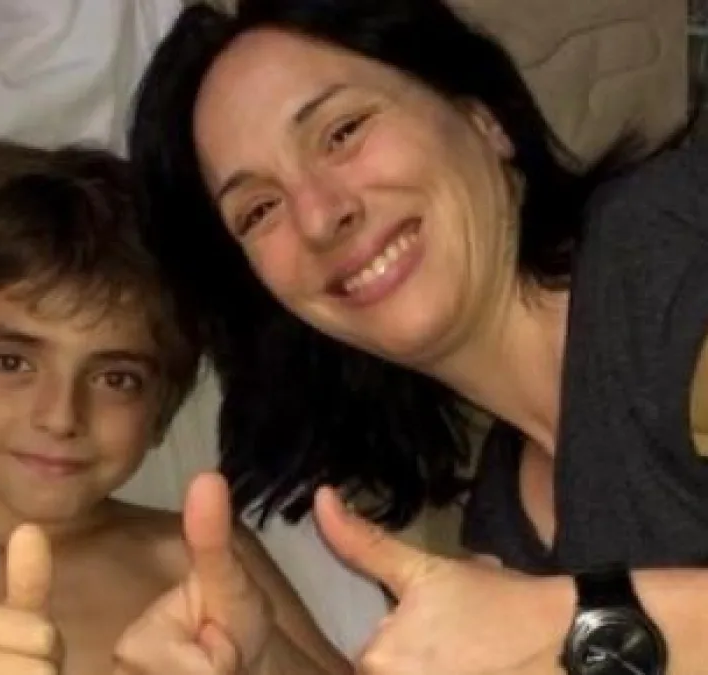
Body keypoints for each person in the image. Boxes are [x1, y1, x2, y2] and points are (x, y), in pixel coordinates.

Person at [121, 0, 708, 672]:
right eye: (258, 209)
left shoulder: (660, 251)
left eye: (342, 132)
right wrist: (264, 661)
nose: (318, 217)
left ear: (482, 118)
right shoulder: (503, 527)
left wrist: (568, 626)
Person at [0, 140, 350, 675]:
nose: (60, 416)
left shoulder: (204, 559)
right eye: (11, 363)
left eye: (116, 378)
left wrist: (261, 658)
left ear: (161, 410)